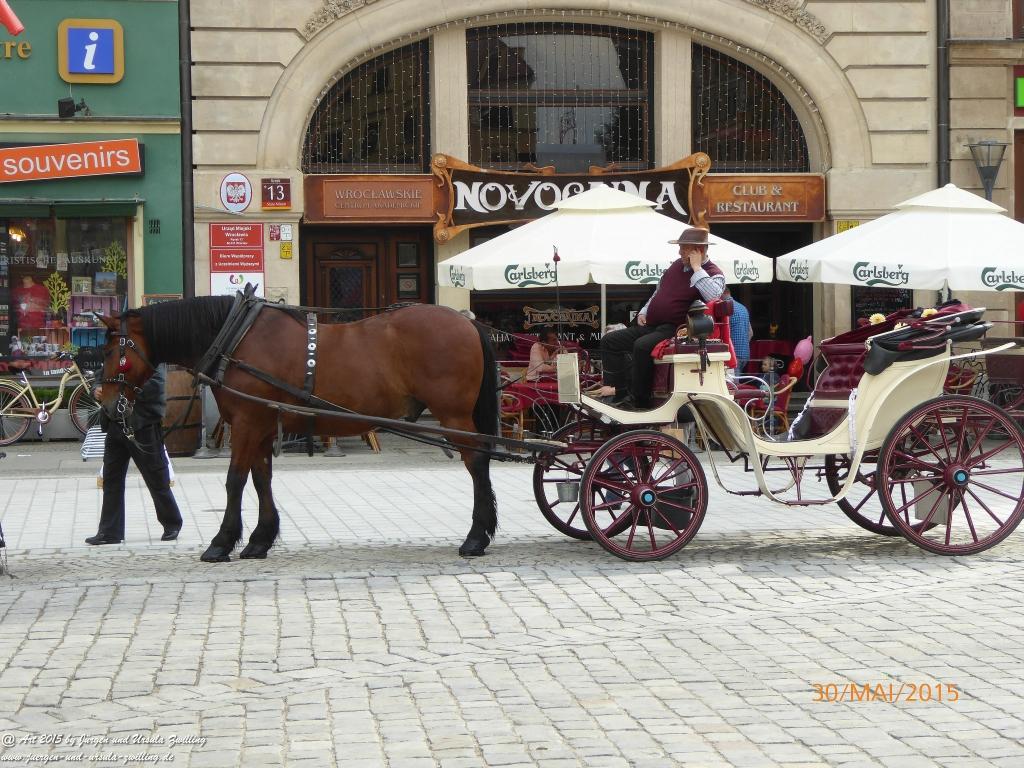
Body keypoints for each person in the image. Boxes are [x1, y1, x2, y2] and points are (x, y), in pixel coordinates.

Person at [596, 227, 726, 409]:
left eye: (684, 248)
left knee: (641, 346)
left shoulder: (713, 272)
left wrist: (697, 268)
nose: (679, 252)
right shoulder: (675, 266)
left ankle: (639, 400)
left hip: (677, 329)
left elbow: (713, 295)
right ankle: (619, 391)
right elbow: (658, 293)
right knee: (610, 341)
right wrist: (644, 311)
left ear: (699, 250)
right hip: (653, 325)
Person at [85, 364, 183, 545]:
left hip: (143, 423)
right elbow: (101, 375)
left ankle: (172, 523)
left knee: (156, 476)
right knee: (111, 479)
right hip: (115, 422)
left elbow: (155, 385)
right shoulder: (116, 351)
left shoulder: (150, 354)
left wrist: (118, 390)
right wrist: (96, 389)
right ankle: (110, 532)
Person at [723, 287, 753, 374]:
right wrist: (742, 344)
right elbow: (751, 333)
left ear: (721, 293)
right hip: (745, 353)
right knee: (736, 380)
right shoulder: (743, 308)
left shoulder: (725, 308)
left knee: (732, 382)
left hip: (733, 354)